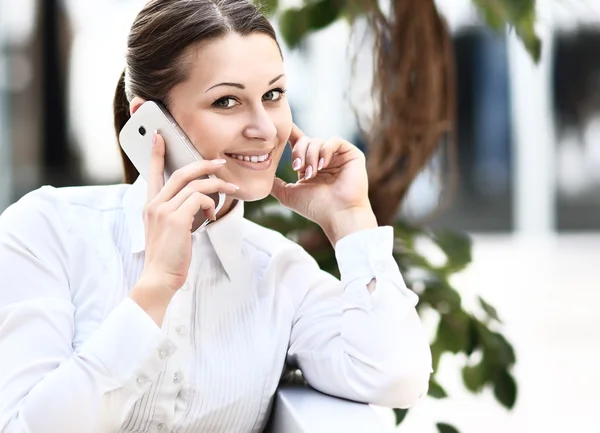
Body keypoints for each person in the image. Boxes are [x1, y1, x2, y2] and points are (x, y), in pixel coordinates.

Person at [0, 0, 433, 432]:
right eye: (227, 101)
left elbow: (396, 376)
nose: (264, 128)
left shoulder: (279, 272)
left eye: (273, 94)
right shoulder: (48, 230)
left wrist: (351, 219)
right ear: (150, 121)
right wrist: (154, 289)